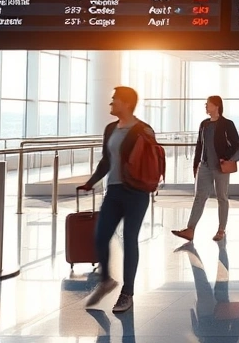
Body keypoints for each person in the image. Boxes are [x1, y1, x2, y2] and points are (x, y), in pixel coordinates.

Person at [78, 86, 155, 313]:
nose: (111, 103)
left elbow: (152, 160)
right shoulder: (110, 128)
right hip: (113, 191)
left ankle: (127, 293)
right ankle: (106, 281)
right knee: (101, 236)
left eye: (115, 99)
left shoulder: (143, 130)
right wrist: (91, 182)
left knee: (129, 239)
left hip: (136, 193)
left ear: (127, 103)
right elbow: (106, 161)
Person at [173, 96, 239, 244]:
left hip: (220, 166)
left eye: (208, 104)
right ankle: (190, 230)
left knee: (222, 197)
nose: (206, 106)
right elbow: (199, 145)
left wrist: (226, 157)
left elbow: (236, 144)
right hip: (204, 165)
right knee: (199, 197)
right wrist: (195, 164)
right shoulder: (204, 124)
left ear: (216, 106)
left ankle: (221, 230)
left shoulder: (227, 124)